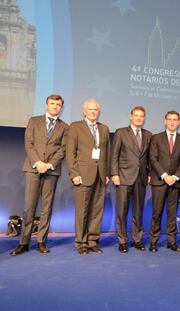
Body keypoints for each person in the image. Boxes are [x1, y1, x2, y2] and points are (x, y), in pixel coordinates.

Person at [11, 94, 68, 256]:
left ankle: (41, 241)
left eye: (58, 104)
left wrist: (49, 164)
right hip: (33, 168)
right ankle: (24, 242)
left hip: (51, 170)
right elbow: (28, 143)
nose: (55, 106)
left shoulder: (65, 127)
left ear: (61, 108)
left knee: (46, 207)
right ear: (46, 105)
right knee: (29, 206)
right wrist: (38, 162)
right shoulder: (34, 121)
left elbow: (62, 149)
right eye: (52, 103)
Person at [66, 99, 110, 255]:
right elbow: (70, 153)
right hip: (82, 175)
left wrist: (107, 173)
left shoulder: (104, 129)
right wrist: (74, 173)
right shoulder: (75, 127)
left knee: (97, 210)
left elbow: (107, 153)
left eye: (96, 109)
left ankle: (92, 241)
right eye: (90, 109)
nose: (93, 112)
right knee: (82, 211)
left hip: (100, 175)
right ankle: (81, 242)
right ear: (84, 111)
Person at [110, 106, 152, 253]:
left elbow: (148, 158)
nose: (139, 118)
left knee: (138, 211)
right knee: (122, 211)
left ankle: (137, 239)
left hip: (140, 179)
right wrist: (114, 174)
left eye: (142, 116)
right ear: (131, 116)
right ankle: (122, 241)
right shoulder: (121, 132)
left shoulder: (148, 135)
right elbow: (114, 155)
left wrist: (149, 174)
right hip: (123, 177)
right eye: (136, 115)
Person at [148, 110, 180, 252]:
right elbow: (153, 159)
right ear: (165, 121)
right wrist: (165, 176)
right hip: (159, 181)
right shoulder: (156, 138)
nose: (172, 122)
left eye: (175, 119)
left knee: (172, 213)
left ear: (179, 122)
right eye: (170, 119)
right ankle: (153, 241)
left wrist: (175, 177)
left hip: (175, 183)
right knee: (157, 212)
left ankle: (172, 242)